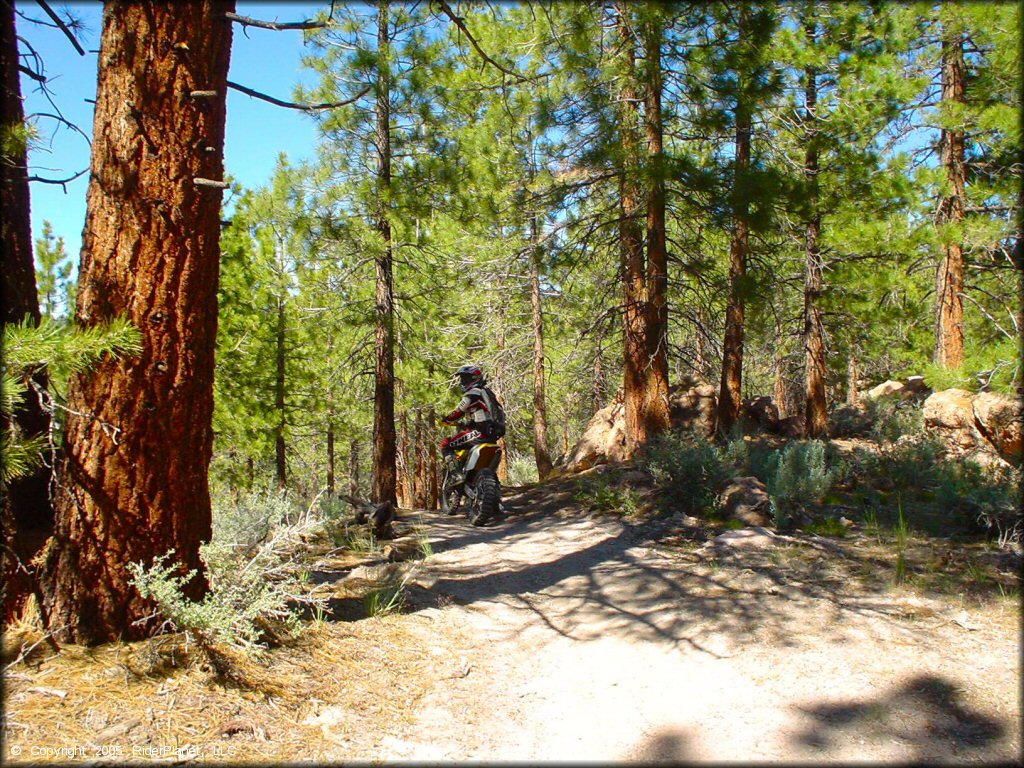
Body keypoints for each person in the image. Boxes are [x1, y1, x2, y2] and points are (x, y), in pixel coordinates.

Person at [439, 364, 505, 476]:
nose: (462, 381)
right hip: (492, 434)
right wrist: (467, 424)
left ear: (474, 379)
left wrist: (446, 419)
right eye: (462, 378)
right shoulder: (487, 393)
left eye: (465, 378)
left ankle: (455, 475)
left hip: (480, 433)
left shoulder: (473, 393)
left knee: (446, 444)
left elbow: (459, 411)